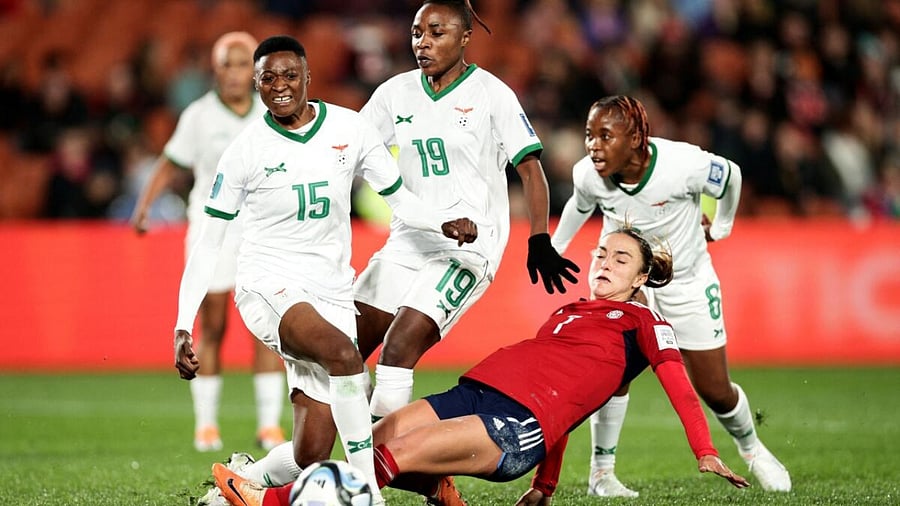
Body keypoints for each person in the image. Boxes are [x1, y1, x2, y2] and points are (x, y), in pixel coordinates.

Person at [211, 226, 751, 506]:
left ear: (640, 278)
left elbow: (679, 386)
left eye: (619, 259)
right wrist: (548, 487)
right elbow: (571, 399)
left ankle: (269, 499)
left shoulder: (644, 323)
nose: (604, 263)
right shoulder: (570, 313)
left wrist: (705, 451)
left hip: (516, 426)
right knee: (366, 441)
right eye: (601, 254)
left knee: (394, 456)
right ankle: (436, 489)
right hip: (475, 394)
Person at [173, 34, 477, 506]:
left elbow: (398, 198)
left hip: (331, 290)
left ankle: (241, 483)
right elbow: (209, 241)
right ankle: (368, 495)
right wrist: (181, 323)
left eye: (289, 75)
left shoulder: (349, 129)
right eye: (267, 78)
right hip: (267, 285)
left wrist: (443, 221)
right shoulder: (245, 151)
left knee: (311, 449)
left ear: (307, 77)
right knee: (345, 357)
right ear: (256, 85)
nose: (280, 86)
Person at [550, 95, 791, 495]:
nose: (593, 144)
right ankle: (601, 474)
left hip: (687, 282)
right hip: (632, 285)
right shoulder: (589, 173)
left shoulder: (682, 165)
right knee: (612, 373)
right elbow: (580, 204)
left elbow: (730, 176)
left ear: (636, 138)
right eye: (589, 134)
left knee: (715, 388)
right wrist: (553, 248)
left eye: (605, 135)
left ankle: (752, 449)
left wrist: (724, 225)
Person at [355, 0, 578, 424]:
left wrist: (539, 237)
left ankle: (371, 471)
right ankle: (391, 453)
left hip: (469, 246)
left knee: (399, 349)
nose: (423, 42)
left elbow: (530, 170)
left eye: (436, 32)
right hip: (408, 238)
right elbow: (352, 150)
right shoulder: (393, 93)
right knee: (345, 350)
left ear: (465, 37)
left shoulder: (492, 95)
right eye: (417, 32)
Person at [131, 32, 288, 453]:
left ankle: (269, 425)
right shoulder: (199, 116)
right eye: (227, 64)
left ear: (255, 71)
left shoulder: (271, 111)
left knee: (266, 327)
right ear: (215, 69)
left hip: (260, 228)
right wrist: (143, 207)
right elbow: (171, 162)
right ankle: (206, 425)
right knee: (213, 326)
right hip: (212, 229)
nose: (235, 72)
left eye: (242, 64)